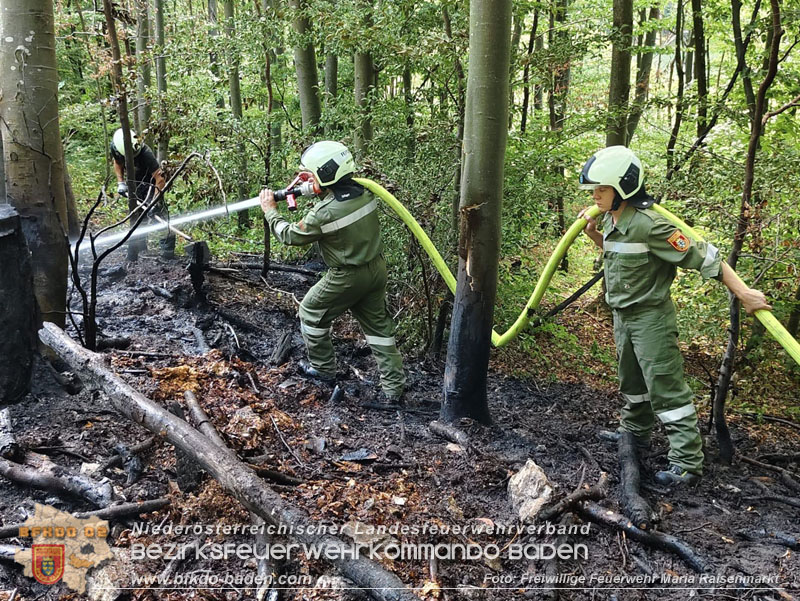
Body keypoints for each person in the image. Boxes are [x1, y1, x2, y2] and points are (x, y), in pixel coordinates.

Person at [578, 146, 770, 485]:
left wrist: (744, 293)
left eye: (601, 189)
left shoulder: (652, 225)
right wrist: (595, 236)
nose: (595, 196)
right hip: (622, 316)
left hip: (651, 319)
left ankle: (686, 462)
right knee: (632, 383)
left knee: (666, 389)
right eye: (594, 190)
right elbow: (620, 256)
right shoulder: (611, 219)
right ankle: (634, 435)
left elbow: (704, 259)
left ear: (624, 187)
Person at [259, 141, 406, 404]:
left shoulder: (324, 214)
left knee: (310, 312)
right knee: (378, 329)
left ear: (327, 173)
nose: (307, 181)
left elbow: (290, 236)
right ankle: (394, 388)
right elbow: (338, 197)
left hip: (347, 276)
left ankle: (324, 369)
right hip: (376, 269)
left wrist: (271, 212)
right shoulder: (365, 191)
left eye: (311, 175)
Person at [110, 128, 175, 259]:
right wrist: (120, 182)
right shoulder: (116, 148)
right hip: (134, 186)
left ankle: (167, 252)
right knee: (137, 218)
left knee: (160, 217)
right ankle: (140, 248)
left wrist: (154, 201)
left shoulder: (145, 153)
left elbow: (160, 179)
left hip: (152, 186)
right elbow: (117, 163)